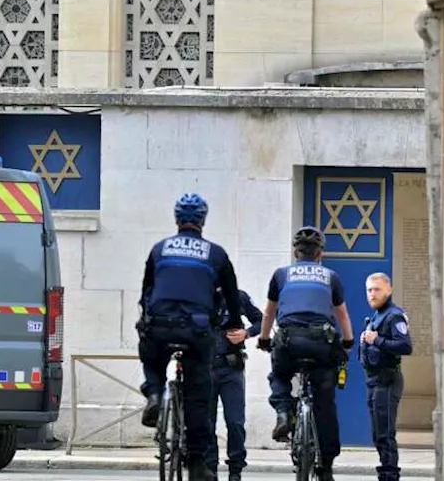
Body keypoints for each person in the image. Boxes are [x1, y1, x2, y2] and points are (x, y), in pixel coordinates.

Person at [138, 193, 245, 481]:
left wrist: (145, 321)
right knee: (199, 392)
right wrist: (233, 323)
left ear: (176, 219)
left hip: (160, 325)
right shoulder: (216, 254)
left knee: (150, 356)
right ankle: (197, 463)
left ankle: (154, 393)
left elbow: (146, 291)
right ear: (203, 221)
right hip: (197, 331)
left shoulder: (159, 249)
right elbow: (233, 298)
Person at [256, 226, 353, 480]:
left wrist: (265, 339)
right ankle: (327, 468)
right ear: (320, 253)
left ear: (295, 253)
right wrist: (349, 341)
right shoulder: (330, 276)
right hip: (321, 343)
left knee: (278, 375)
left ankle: (284, 413)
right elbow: (341, 314)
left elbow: (269, 312)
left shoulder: (281, 275)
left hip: (289, 342)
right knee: (325, 404)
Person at [205, 288, 263, 481]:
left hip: (231, 369)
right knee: (206, 423)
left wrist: (245, 333)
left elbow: (261, 321)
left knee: (235, 422)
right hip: (204, 368)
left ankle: (235, 469)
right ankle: (209, 467)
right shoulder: (197, 295)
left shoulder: (238, 297)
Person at [359, 272, 412, 481]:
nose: (372, 294)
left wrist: (376, 339)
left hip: (387, 380)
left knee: (385, 434)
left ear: (389, 290)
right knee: (378, 434)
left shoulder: (394, 315)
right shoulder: (376, 316)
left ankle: (390, 476)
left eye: (377, 289)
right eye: (369, 290)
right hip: (374, 380)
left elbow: (405, 346)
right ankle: (386, 472)